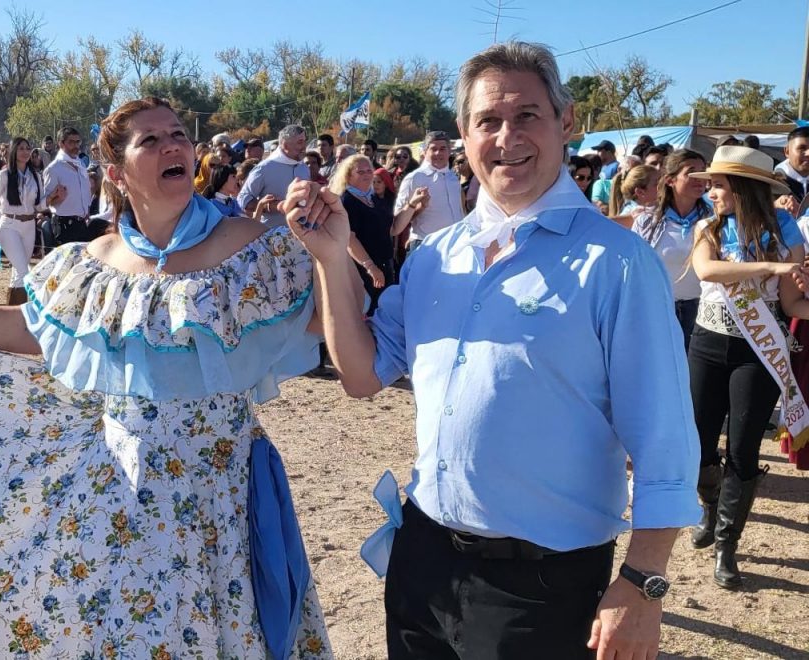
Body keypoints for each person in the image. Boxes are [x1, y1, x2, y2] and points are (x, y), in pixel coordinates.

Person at [0, 96, 332, 660]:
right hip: (126, 487)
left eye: (177, 134)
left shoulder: (250, 245)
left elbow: (326, 322)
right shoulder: (93, 261)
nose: (172, 145)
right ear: (117, 174)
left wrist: (330, 252)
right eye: (151, 140)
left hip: (227, 488)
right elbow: (31, 328)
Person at [283, 41, 699, 659]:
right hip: (423, 562)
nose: (508, 137)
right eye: (488, 121)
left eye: (527, 115)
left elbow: (664, 434)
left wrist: (643, 582)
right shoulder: (434, 257)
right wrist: (329, 257)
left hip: (544, 583)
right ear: (464, 133)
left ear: (565, 121)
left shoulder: (616, 263)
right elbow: (363, 374)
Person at [687, 145, 809, 589]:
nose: (711, 193)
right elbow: (706, 270)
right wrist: (771, 265)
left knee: (743, 449)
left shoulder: (786, 232)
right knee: (699, 444)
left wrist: (803, 287)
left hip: (758, 353)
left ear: (741, 188)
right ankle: (710, 503)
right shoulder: (708, 227)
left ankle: (727, 544)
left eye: (718, 185)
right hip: (707, 344)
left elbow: (792, 303)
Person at [632, 149, 711, 351]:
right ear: (670, 180)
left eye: (703, 171)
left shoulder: (716, 221)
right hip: (658, 309)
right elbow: (634, 269)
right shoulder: (646, 221)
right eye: (691, 171)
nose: (700, 178)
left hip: (703, 311)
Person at [0, 137, 47, 305]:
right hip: (9, 225)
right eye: (21, 148)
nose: (25, 152)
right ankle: (24, 310)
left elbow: (39, 206)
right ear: (13, 151)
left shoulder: (36, 176)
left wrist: (54, 198)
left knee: (18, 272)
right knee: (24, 271)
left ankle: (13, 309)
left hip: (29, 226)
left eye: (28, 148)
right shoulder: (3, 175)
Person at [329, 155, 390, 314]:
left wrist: (412, 205)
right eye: (360, 172)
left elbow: (392, 228)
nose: (367, 175)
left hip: (382, 264)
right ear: (348, 176)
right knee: (365, 313)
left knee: (382, 312)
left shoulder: (373, 197)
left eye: (369, 171)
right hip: (362, 269)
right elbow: (349, 238)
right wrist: (371, 267)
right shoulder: (346, 200)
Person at [391, 130, 463, 252]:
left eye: (443, 149)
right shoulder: (414, 178)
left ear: (449, 151)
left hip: (455, 244)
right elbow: (397, 223)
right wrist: (417, 206)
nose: (438, 153)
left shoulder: (453, 177)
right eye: (433, 149)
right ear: (425, 152)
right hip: (426, 244)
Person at [237, 125, 310, 228]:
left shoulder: (304, 167)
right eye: (300, 142)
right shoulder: (264, 168)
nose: (304, 146)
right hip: (271, 234)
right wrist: (270, 206)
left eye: (305, 141)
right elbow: (243, 198)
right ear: (285, 145)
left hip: (301, 233)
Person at [42, 127, 92, 248]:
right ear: (61, 143)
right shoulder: (54, 168)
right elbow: (45, 202)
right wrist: (56, 198)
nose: (76, 145)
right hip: (64, 225)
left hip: (82, 224)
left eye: (78, 142)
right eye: (71, 142)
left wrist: (86, 212)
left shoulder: (81, 165)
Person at [774, 125, 809, 215]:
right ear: (787, 151)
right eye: (802, 148)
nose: (808, 153)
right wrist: (774, 206)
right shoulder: (773, 184)